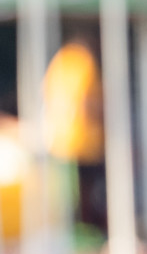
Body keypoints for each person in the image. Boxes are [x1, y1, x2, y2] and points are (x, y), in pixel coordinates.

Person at [42, 34, 107, 234]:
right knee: (85, 193)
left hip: (62, 143)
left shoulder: (62, 64)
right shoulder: (82, 64)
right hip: (83, 142)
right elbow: (88, 103)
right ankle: (84, 229)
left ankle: (75, 228)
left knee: (69, 193)